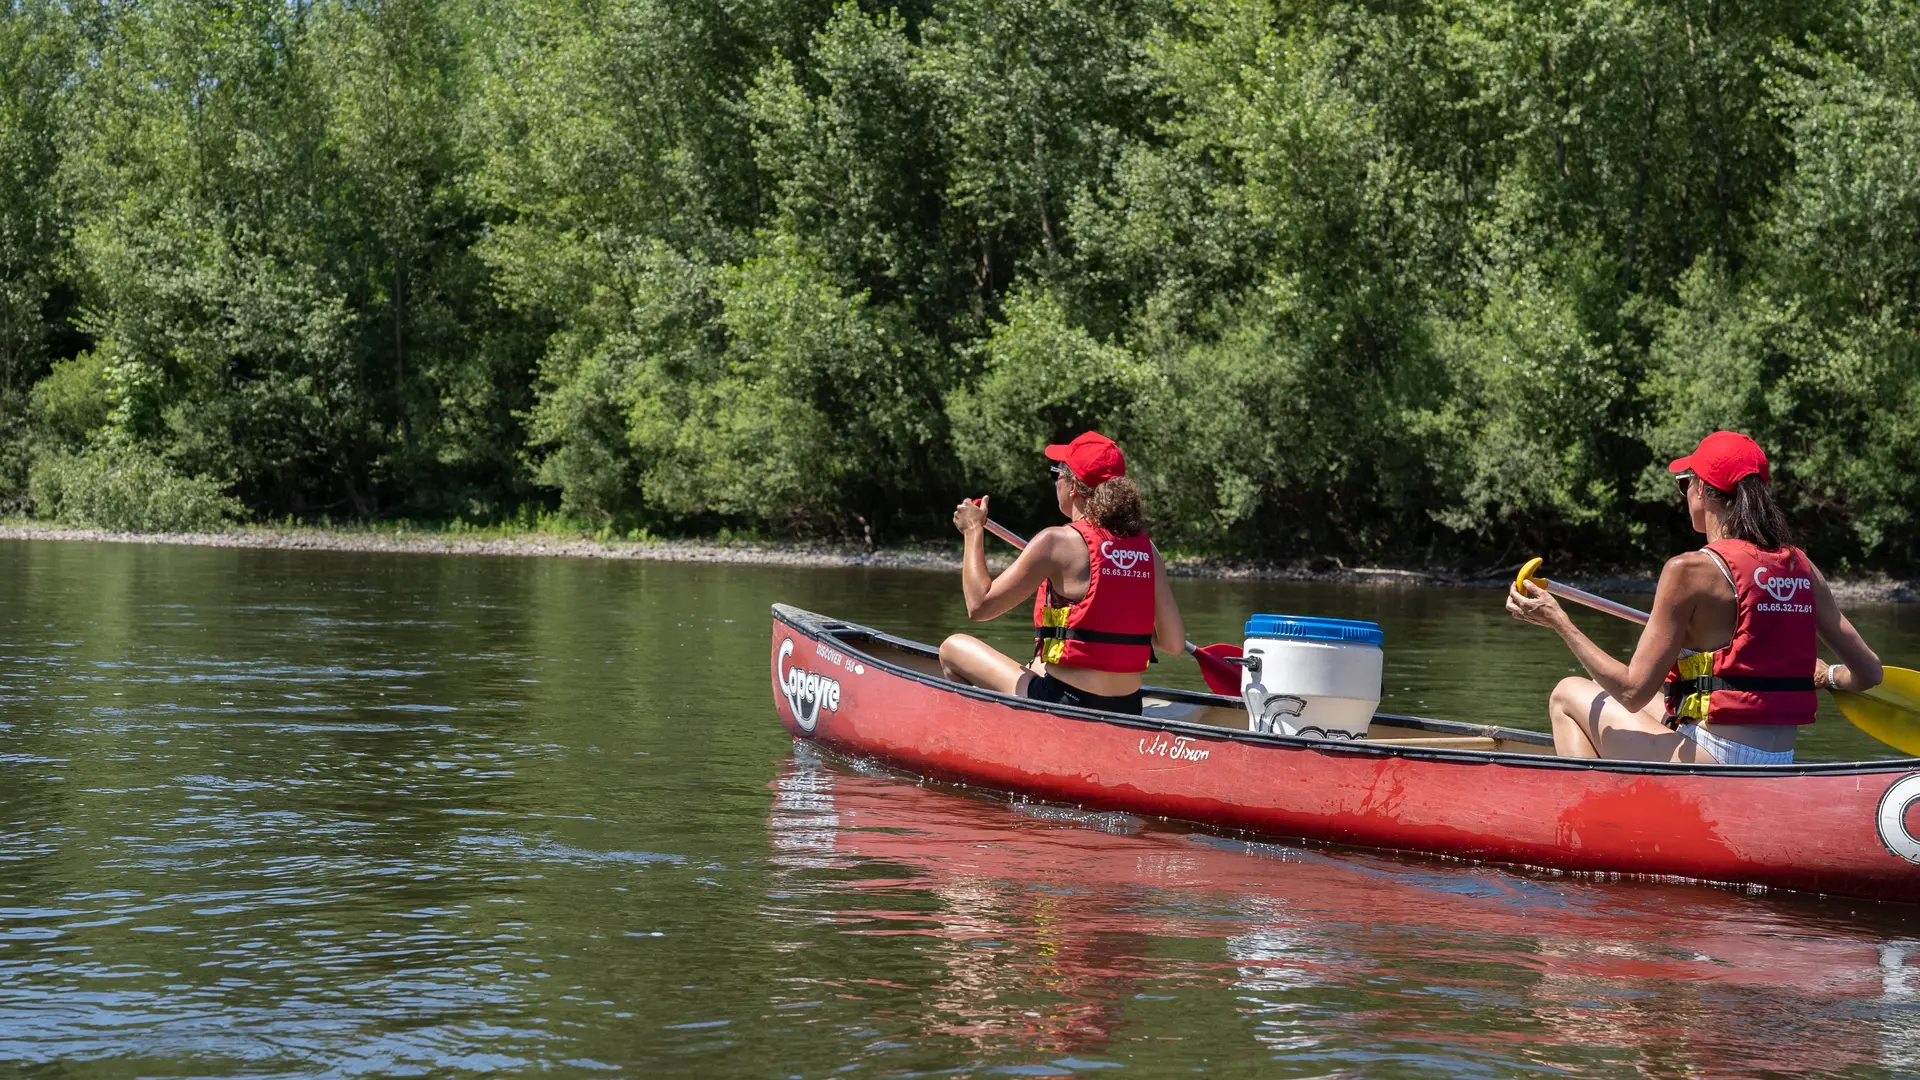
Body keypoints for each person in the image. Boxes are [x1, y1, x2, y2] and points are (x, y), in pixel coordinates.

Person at [1506, 430, 1883, 764]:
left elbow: (1633, 692)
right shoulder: (1802, 567)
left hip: (1715, 762)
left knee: (1567, 693)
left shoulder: (1688, 571)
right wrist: (1829, 674)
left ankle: (1594, 823)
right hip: (1778, 760)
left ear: (1701, 489)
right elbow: (1869, 673)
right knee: (1664, 703)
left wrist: (1559, 621)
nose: (1685, 493)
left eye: (1684, 482)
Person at [939, 431, 1186, 716]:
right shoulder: (1148, 551)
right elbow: (1173, 643)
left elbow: (979, 606)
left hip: (1066, 702)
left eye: (1057, 473)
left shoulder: (1056, 542)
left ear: (1072, 487)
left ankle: (986, 740)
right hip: (1128, 706)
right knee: (1039, 665)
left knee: (952, 648)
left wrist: (972, 531)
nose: (1055, 480)